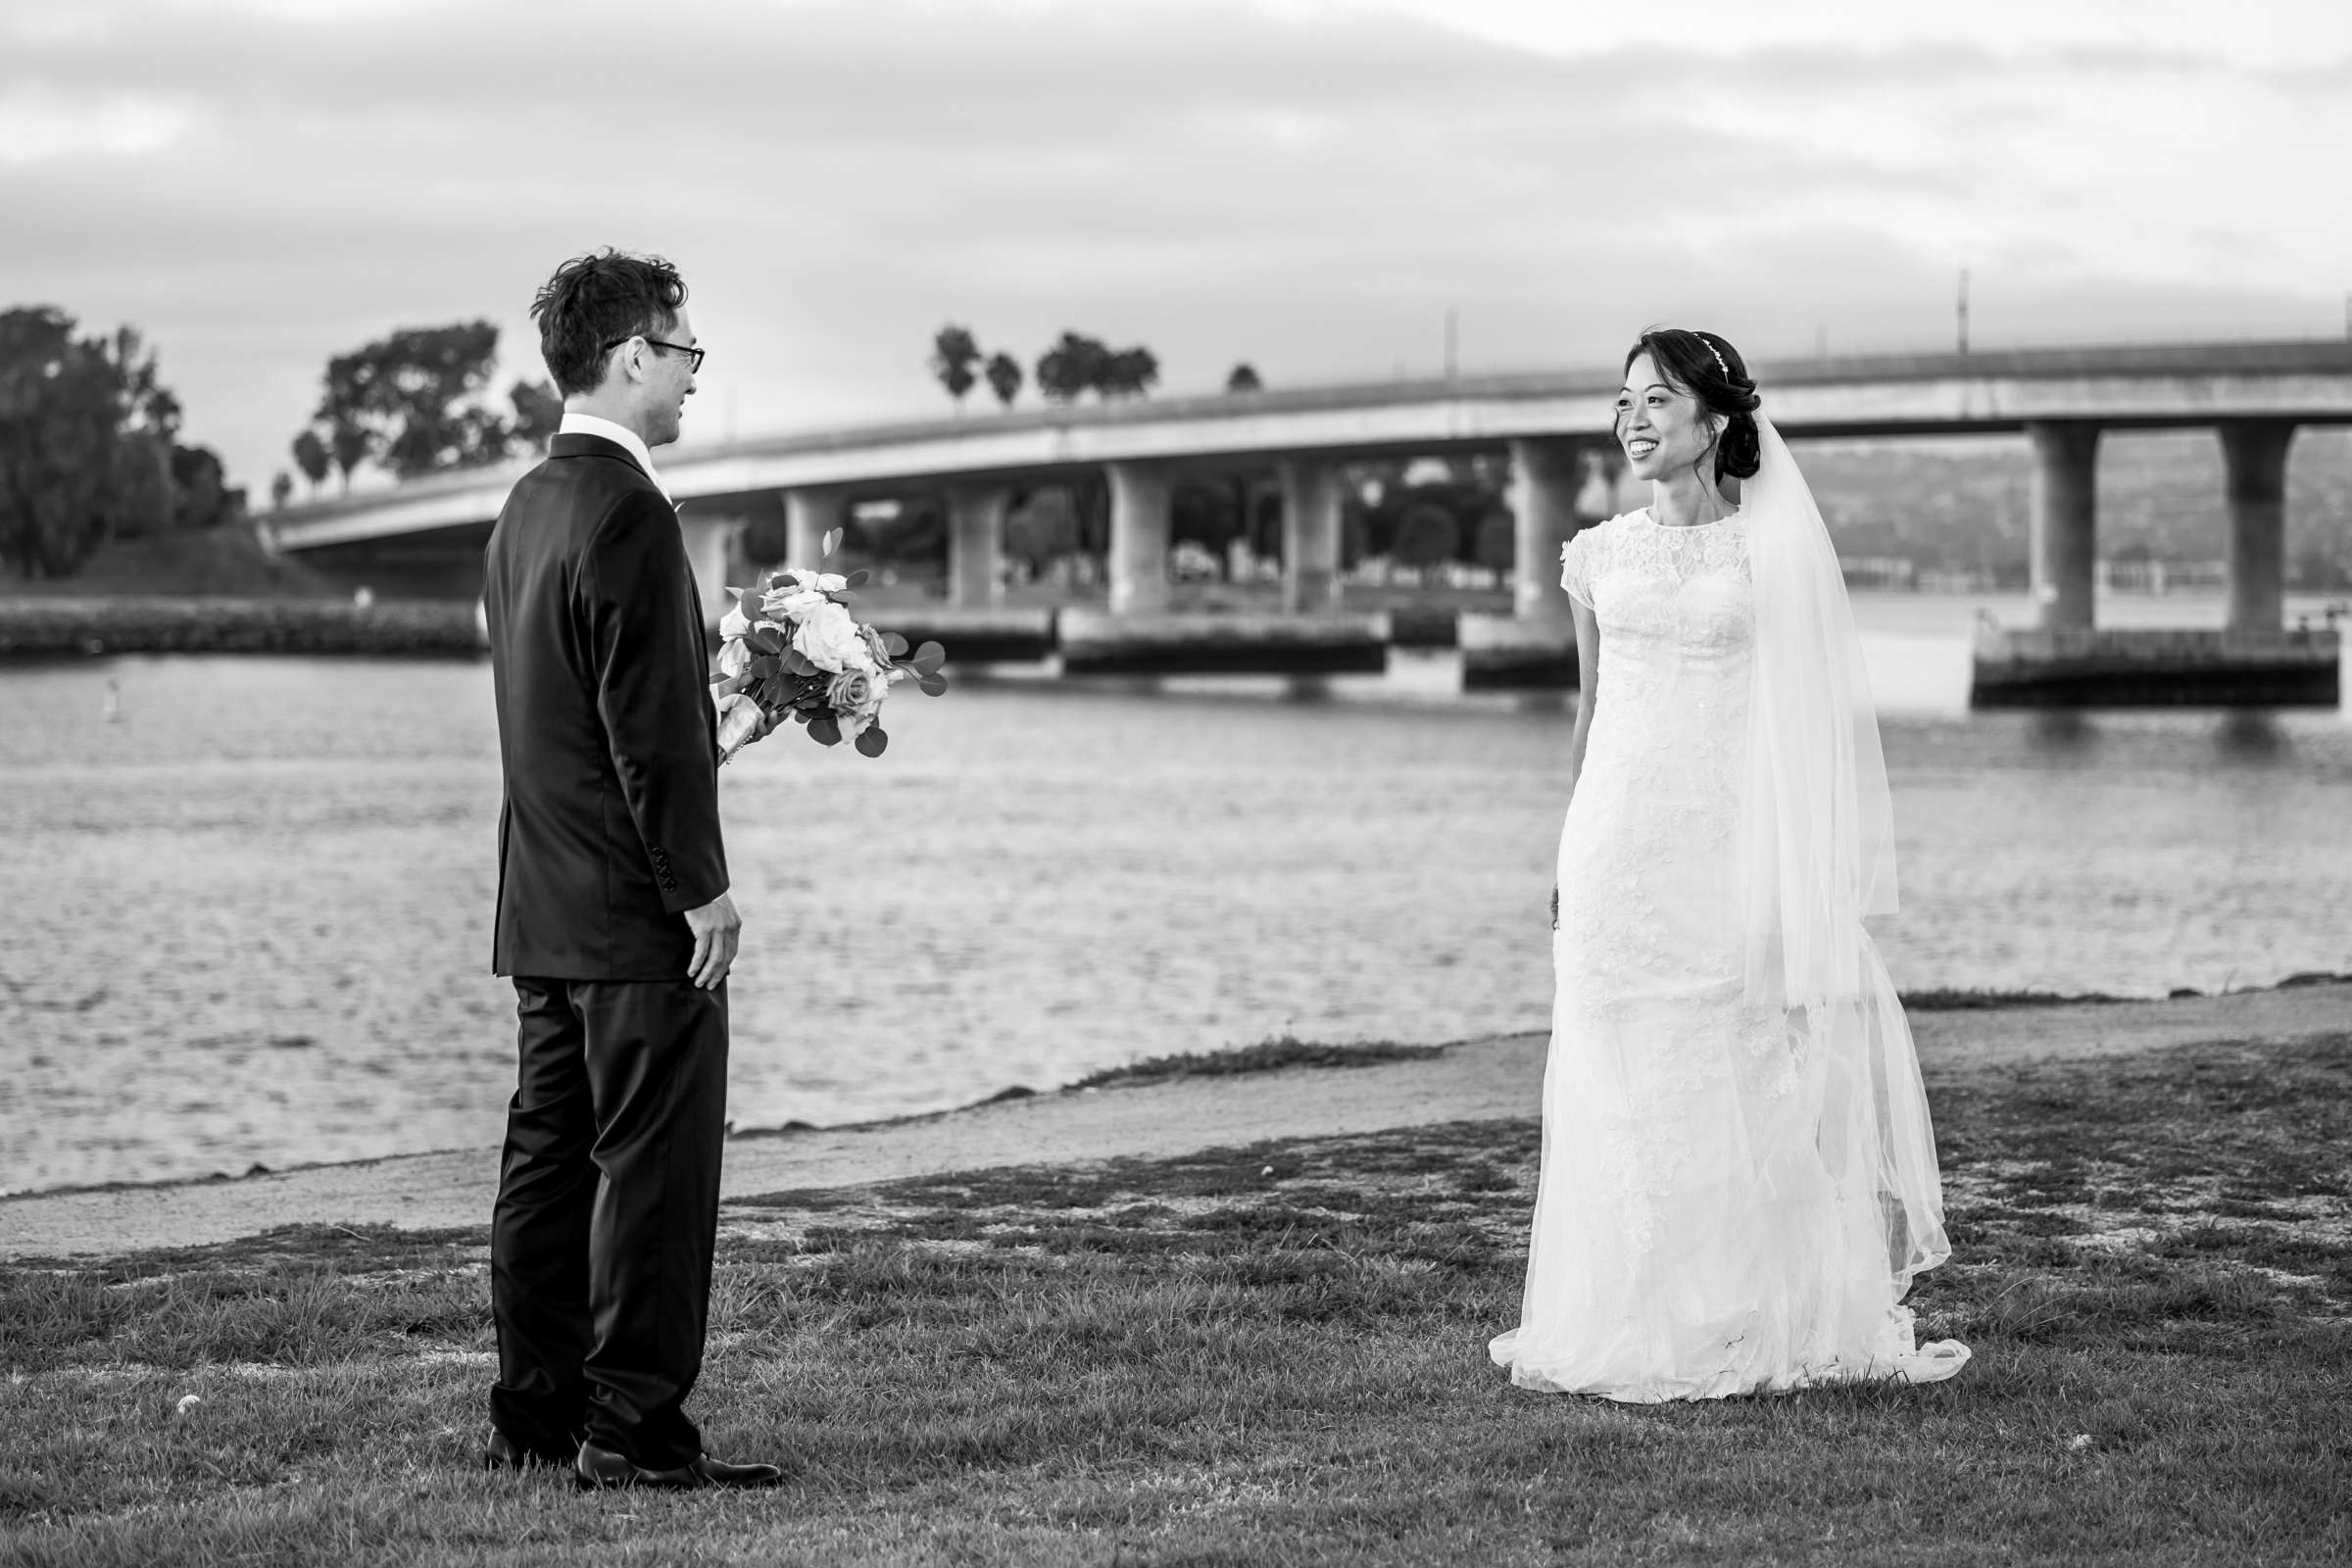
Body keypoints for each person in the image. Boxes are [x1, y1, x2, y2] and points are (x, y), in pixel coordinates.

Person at [1490, 328, 1969, 1401]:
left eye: (1657, 399)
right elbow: (1592, 714)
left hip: (1727, 845)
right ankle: (1625, 1310)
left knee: (1740, 1060)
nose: (1634, 420)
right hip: (1617, 843)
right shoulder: (1595, 557)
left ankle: (1757, 1306)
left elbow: (1805, 729)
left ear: (1714, 418)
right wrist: (1570, 847)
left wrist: (1799, 865)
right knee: (1617, 1063)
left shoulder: (1771, 554)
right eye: (1623, 403)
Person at [479, 248, 779, 1488]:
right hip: (631, 910)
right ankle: (636, 1429)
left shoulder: (528, 507)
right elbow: (647, 737)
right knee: (653, 1171)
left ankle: (535, 1413)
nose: (696, 374)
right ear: (630, 356)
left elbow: (581, 712)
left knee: (547, 1165)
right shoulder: (630, 511)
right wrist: (700, 886)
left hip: (542, 903)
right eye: (686, 349)